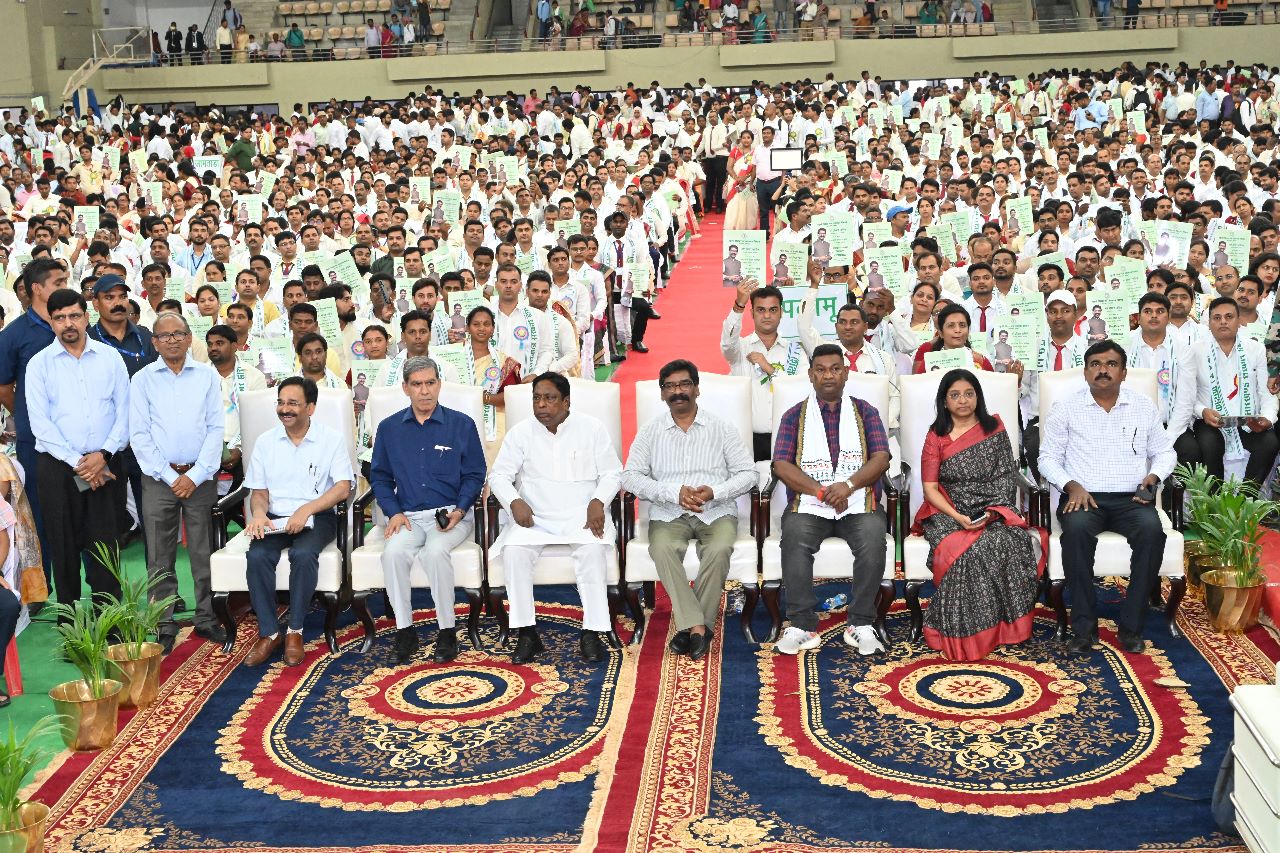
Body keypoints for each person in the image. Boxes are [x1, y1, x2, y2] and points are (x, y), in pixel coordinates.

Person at [1039, 340, 1176, 654]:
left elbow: (1165, 453)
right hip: (1083, 497)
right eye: (1095, 364)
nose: (1103, 370)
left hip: (1132, 499)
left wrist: (1154, 477)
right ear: (1086, 372)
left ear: (1124, 372)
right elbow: (1047, 458)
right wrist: (1070, 485)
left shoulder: (1143, 406)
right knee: (1075, 532)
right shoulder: (1066, 407)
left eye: (1111, 364)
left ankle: (1132, 627)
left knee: (1152, 532)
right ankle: (1083, 630)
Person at [621, 359, 756, 660]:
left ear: (696, 389)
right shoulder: (650, 431)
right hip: (669, 512)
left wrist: (715, 491)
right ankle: (697, 626)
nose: (677, 391)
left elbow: (749, 474)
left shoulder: (721, 428)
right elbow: (630, 477)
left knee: (719, 549)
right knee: (662, 548)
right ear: (662, 393)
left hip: (716, 510)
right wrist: (673, 493)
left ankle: (691, 627)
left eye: (684, 384)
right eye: (670, 386)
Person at [911, 369, 1045, 660]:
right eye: (955, 395)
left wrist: (991, 513)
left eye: (969, 394)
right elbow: (930, 489)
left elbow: (1005, 478)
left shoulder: (994, 429)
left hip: (992, 508)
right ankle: (963, 633)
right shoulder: (936, 436)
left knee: (1004, 542)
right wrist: (958, 516)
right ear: (944, 401)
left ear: (978, 397)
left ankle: (1000, 630)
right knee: (966, 550)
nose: (963, 400)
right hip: (946, 509)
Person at [488, 372, 622, 664]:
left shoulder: (592, 428)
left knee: (592, 551)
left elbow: (612, 473)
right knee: (514, 552)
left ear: (566, 402)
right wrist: (514, 501)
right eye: (536, 398)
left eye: (549, 398)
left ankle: (592, 632)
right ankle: (527, 633)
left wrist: (598, 501)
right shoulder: (521, 433)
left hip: (581, 514)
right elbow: (498, 476)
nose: (541, 405)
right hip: (534, 516)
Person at [771, 344, 891, 656]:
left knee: (873, 536)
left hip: (858, 500)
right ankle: (802, 625)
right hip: (811, 502)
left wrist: (848, 486)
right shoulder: (794, 416)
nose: (828, 375)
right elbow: (781, 465)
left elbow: (881, 458)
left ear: (846, 373)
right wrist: (820, 491)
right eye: (821, 370)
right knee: (795, 536)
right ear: (811, 375)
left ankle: (861, 623)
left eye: (835, 369)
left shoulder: (865, 411)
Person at [371, 356, 487, 664]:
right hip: (408, 517)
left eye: (430, 383)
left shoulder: (461, 424)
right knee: (392, 554)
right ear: (405, 388)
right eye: (417, 384)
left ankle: (447, 631)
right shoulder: (389, 428)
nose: (425, 391)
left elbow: (475, 474)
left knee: (435, 552)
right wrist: (394, 512)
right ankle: (404, 630)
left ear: (439, 384)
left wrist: (460, 511)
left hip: (451, 515)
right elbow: (379, 477)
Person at [26, 289, 131, 611]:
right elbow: (40, 424)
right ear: (51, 322)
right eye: (59, 318)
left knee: (105, 543)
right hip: (58, 468)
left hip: (106, 464)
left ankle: (109, 616)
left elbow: (125, 412)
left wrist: (103, 455)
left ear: (87, 317)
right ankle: (69, 620)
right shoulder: (39, 364)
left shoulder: (110, 358)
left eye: (74, 315)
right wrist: (81, 463)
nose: (68, 323)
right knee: (63, 544)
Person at [242, 377, 355, 667]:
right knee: (257, 555)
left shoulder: (330, 440)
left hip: (318, 516)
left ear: (310, 408)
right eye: (281, 403)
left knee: (303, 554)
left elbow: (343, 487)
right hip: (276, 518)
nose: (284, 409)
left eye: (293, 403)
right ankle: (269, 632)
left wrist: (307, 509)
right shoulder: (266, 442)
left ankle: (295, 630)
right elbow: (259, 493)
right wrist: (259, 514)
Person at [129, 312, 225, 652]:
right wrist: (172, 477)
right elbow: (139, 435)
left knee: (204, 550)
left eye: (178, 334)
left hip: (200, 477)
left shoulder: (207, 376)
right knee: (159, 554)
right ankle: (164, 622)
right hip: (159, 478)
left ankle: (207, 617)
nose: (172, 340)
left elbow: (216, 428)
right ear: (154, 342)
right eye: (164, 335)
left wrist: (195, 475)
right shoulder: (142, 380)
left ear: (188, 338)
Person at [1194, 296, 1278, 486]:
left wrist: (1267, 418)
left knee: (1269, 443)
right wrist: (1202, 411)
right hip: (1210, 420)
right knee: (1209, 445)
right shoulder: (1195, 351)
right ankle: (1214, 501)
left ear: (1239, 321)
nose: (1223, 321)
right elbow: (1187, 395)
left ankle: (1245, 498)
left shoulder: (1256, 349)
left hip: (1248, 421)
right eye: (1217, 317)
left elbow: (1266, 392)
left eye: (1229, 316)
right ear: (1209, 323)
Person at [723, 280, 810, 461]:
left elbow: (802, 390)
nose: (767, 315)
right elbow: (727, 343)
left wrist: (769, 368)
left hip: (787, 437)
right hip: (747, 439)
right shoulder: (740, 348)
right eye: (761, 310)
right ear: (752, 313)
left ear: (781, 312)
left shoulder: (795, 351)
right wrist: (739, 305)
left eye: (773, 310)